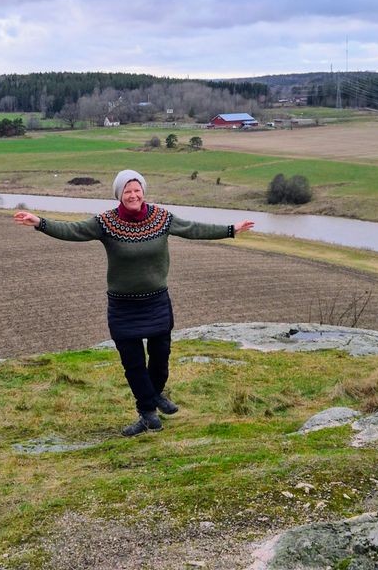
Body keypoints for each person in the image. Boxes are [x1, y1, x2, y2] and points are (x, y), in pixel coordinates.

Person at [14, 169, 254, 437]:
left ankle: (154, 396)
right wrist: (39, 222)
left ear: (143, 192)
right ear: (119, 195)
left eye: (137, 190)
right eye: (127, 191)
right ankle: (148, 412)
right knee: (134, 364)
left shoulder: (161, 218)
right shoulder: (106, 222)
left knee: (161, 358)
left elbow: (193, 229)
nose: (133, 195)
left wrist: (231, 229)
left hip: (157, 302)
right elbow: (73, 230)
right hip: (123, 307)